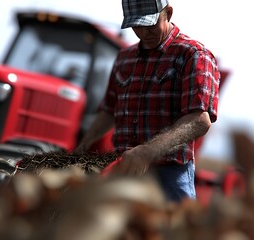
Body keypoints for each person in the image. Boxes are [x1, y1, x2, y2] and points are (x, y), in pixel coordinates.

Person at [75, 0, 221, 202]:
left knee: (173, 231)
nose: (144, 33)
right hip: (121, 169)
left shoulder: (193, 55)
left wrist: (147, 152)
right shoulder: (124, 58)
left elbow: (199, 120)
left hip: (169, 174)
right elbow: (108, 110)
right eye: (137, 26)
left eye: (150, 25)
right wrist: (82, 147)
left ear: (168, 13)